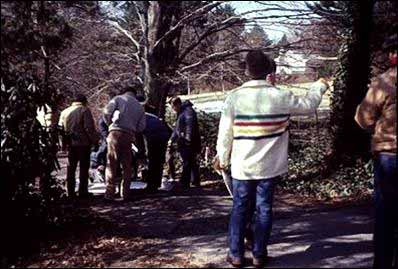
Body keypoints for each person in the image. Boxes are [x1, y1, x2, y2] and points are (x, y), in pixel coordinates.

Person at [214, 50, 329, 268]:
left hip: (242, 167)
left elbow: (225, 133)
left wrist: (223, 157)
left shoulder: (235, 97)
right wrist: (318, 87)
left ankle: (236, 255)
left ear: (247, 71)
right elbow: (309, 106)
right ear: (268, 70)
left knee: (239, 208)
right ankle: (259, 255)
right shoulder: (280, 96)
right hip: (269, 167)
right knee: (264, 209)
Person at [354, 35, 397, 269]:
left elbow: (363, 118)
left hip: (389, 155)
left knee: (386, 215)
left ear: (393, 55)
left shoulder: (383, 83)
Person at [103, 85, 146, 201]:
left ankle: (110, 192)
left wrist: (109, 124)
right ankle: (125, 192)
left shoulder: (118, 99)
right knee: (127, 165)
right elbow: (142, 127)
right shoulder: (140, 107)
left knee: (112, 162)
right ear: (134, 94)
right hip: (129, 134)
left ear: (124, 92)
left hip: (115, 132)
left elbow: (107, 112)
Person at [58, 93, 99, 199]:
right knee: (83, 168)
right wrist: (95, 140)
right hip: (83, 143)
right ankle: (83, 191)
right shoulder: (85, 110)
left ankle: (70, 191)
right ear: (84, 101)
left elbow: (60, 130)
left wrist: (63, 144)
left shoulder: (64, 112)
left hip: (70, 144)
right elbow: (89, 128)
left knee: (71, 168)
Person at [136, 96, 172, 192]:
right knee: (158, 160)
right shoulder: (151, 114)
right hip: (163, 136)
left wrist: (141, 152)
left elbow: (138, 135)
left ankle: (152, 185)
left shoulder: (139, 117)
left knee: (153, 160)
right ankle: (156, 183)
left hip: (154, 136)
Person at [169, 97, 201, 189]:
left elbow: (189, 127)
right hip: (185, 140)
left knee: (187, 161)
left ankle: (185, 181)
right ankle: (194, 180)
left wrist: (188, 139)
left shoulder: (187, 112)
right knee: (191, 161)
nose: (173, 110)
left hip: (188, 141)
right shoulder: (182, 112)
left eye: (173, 107)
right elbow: (177, 129)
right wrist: (172, 139)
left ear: (177, 104)